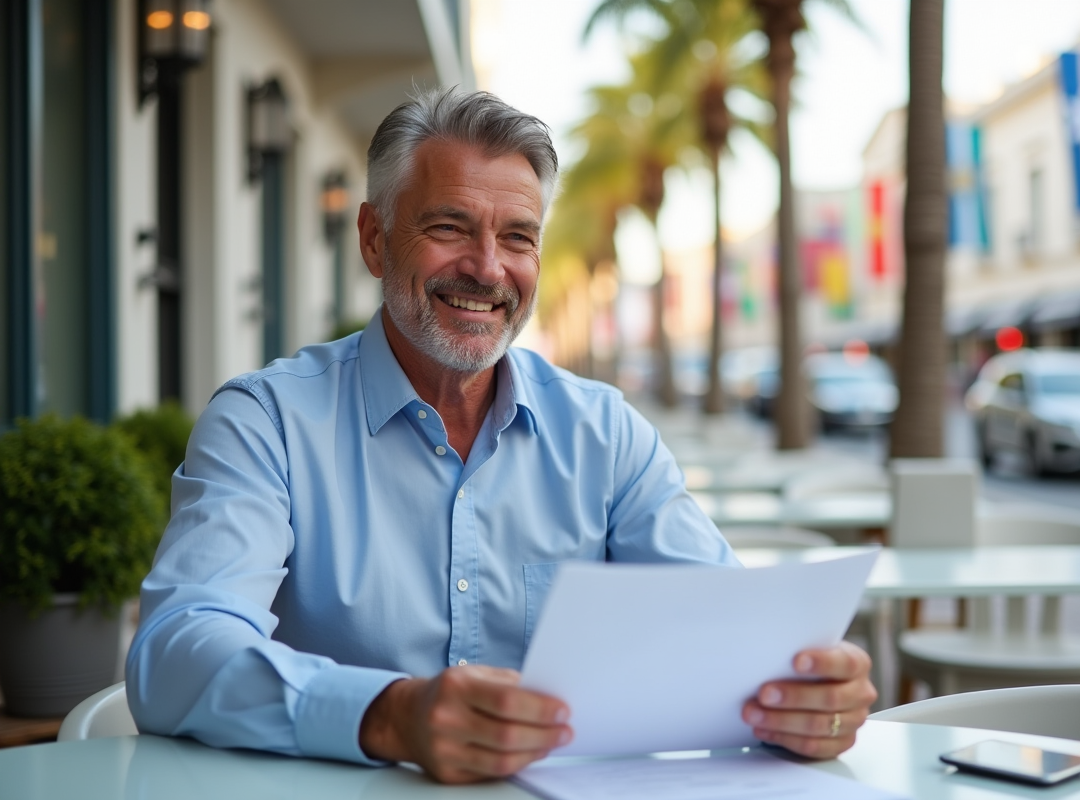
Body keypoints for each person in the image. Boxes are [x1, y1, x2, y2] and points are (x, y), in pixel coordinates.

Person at [126, 88, 877, 785]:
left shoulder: (605, 435)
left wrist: (802, 695)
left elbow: (729, 637)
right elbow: (176, 654)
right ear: (374, 239)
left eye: (518, 237)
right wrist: (388, 715)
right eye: (449, 226)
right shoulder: (267, 424)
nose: (488, 269)